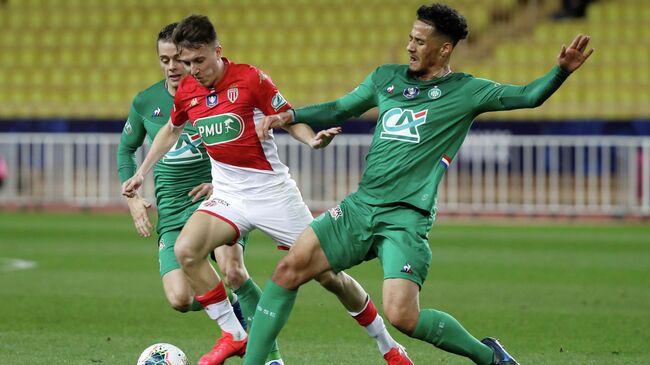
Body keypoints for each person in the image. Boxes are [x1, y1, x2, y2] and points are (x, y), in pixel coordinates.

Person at [246, 3, 594, 365]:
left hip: (406, 219)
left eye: (419, 41)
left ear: (445, 48)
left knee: (402, 316)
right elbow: (340, 108)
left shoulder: (466, 91)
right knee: (288, 270)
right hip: (361, 206)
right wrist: (291, 115)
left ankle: (489, 357)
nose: (410, 46)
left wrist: (560, 72)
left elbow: (528, 96)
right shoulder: (386, 78)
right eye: (410, 38)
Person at [122, 15, 413, 365]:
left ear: (218, 51)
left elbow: (288, 117)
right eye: (186, 62)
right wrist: (141, 172)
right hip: (229, 195)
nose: (192, 69)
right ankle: (234, 333)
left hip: (273, 195)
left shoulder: (250, 79)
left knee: (328, 276)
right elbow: (171, 130)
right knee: (186, 250)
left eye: (199, 61)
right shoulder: (187, 89)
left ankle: (388, 345)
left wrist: (311, 140)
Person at [117, 21, 250, 341]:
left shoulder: (216, 96)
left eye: (178, 58)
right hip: (173, 213)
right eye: (164, 60)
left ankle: (254, 339)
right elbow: (126, 150)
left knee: (232, 271)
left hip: (217, 205)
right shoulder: (146, 102)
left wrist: (224, 183)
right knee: (180, 299)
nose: (173, 67)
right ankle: (233, 309)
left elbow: (245, 149)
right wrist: (133, 197)